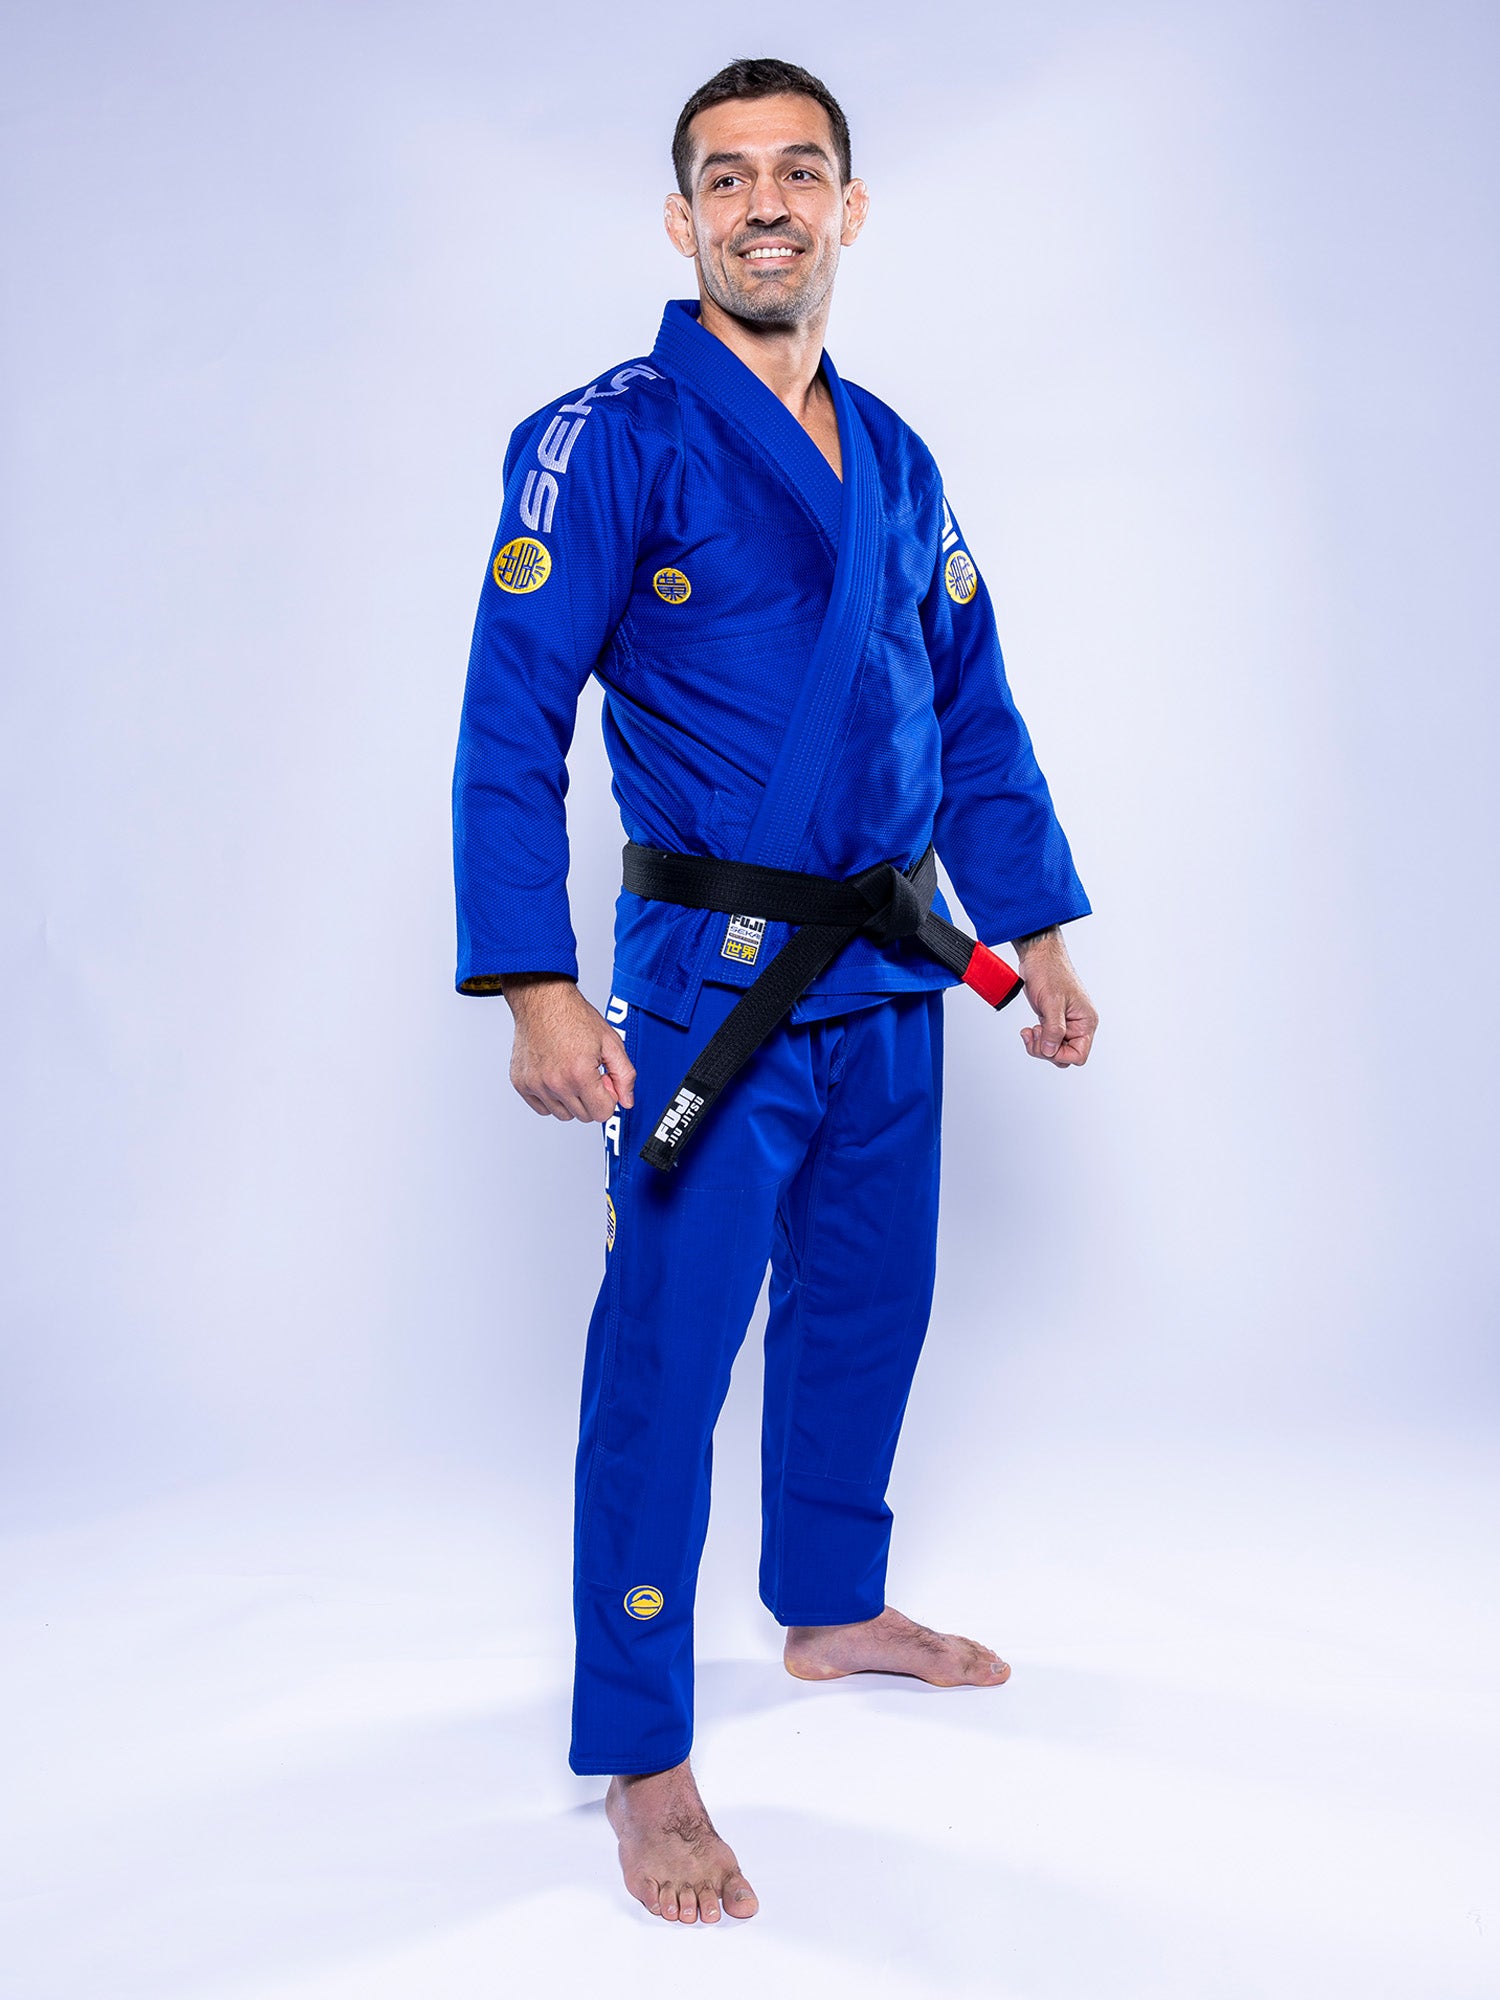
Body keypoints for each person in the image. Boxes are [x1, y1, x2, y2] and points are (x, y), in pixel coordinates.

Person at [452, 57, 1097, 1924]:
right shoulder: (609, 434)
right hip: (710, 981)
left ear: (848, 210)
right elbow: (513, 717)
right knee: (666, 1357)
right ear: (680, 220)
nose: (765, 204)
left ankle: (826, 1603)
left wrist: (1034, 926)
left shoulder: (895, 455)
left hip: (896, 965)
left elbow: (972, 703)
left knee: (868, 1305)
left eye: (800, 173)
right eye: (727, 177)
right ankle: (644, 1751)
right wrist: (533, 983)